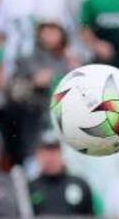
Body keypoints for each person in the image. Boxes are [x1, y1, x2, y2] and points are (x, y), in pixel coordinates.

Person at [6, 20, 74, 166]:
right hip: (36, 131)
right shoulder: (26, 61)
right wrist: (33, 84)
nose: (49, 34)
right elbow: (13, 94)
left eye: (54, 29)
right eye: (46, 29)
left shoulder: (71, 61)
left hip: (69, 134)